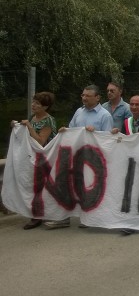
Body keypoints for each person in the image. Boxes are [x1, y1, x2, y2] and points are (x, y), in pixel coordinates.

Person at [52, 85, 113, 229]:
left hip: (93, 161)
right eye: (83, 95)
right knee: (70, 186)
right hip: (76, 157)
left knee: (90, 188)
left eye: (88, 96)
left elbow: (108, 139)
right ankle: (64, 217)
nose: (84, 98)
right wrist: (65, 131)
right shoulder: (79, 112)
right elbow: (72, 130)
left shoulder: (105, 115)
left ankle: (90, 218)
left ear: (97, 97)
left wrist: (95, 132)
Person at [15, 91, 57, 230]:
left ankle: (38, 216)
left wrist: (29, 126)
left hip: (46, 158)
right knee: (35, 185)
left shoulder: (48, 120)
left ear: (45, 107)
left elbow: (41, 141)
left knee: (40, 186)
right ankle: (39, 213)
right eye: (33, 101)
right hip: (33, 157)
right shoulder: (33, 117)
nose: (33, 105)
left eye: (37, 103)